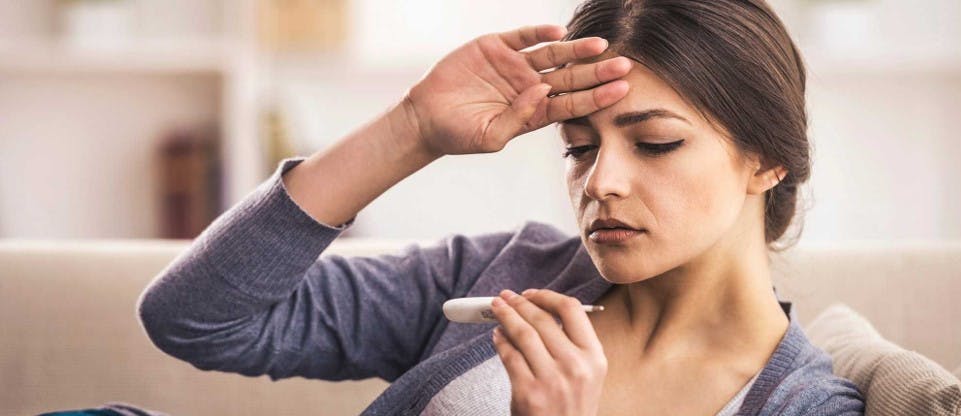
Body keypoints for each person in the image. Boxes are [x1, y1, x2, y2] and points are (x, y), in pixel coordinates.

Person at [137, 0, 866, 415]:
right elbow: (195, 318)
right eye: (578, 148)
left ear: (768, 159)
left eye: (655, 144)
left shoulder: (804, 407)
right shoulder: (499, 278)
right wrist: (412, 129)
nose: (600, 182)